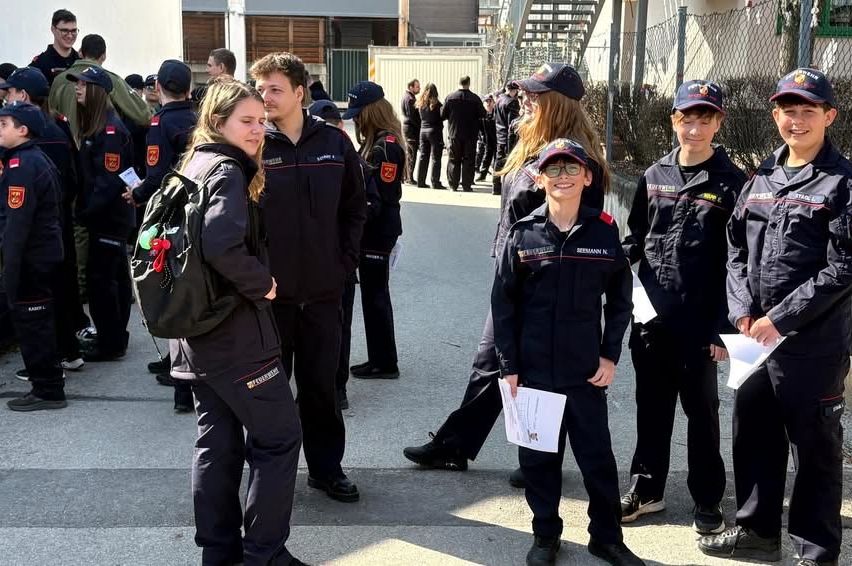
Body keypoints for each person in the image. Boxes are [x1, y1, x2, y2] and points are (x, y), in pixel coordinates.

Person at [404, 63, 608, 486]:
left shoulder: (574, 161)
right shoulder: (532, 146)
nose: (526, 101)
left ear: (557, 104)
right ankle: (459, 444)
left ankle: (533, 458)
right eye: (527, 94)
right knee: (491, 363)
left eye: (536, 96)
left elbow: (580, 233)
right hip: (514, 275)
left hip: (546, 287)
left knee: (529, 367)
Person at [698, 68, 852, 566]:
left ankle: (816, 550)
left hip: (812, 342)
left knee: (815, 450)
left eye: (809, 110)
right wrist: (742, 309)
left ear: (829, 115)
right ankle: (758, 533)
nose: (798, 120)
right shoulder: (762, 175)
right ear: (775, 115)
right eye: (789, 110)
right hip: (753, 339)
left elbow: (845, 265)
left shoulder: (842, 182)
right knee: (754, 434)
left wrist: (780, 319)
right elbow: (735, 248)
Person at [167, 77, 304, 566]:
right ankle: (264, 555)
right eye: (247, 121)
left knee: (218, 444)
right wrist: (262, 283)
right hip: (235, 337)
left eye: (262, 121)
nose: (258, 130)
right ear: (217, 121)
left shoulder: (197, 162)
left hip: (197, 336)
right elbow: (220, 243)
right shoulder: (226, 171)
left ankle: (219, 554)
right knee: (279, 437)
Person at [493, 138, 641, 566]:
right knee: (539, 462)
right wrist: (509, 366)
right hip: (534, 370)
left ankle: (606, 537)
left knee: (598, 460)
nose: (562, 177)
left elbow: (619, 299)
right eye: (553, 170)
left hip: (584, 371)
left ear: (588, 176)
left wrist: (610, 355)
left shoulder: (603, 231)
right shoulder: (525, 233)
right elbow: (503, 304)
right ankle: (545, 536)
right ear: (539, 179)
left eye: (571, 168)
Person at [619, 80, 746, 534]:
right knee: (650, 408)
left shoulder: (732, 184)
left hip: (700, 324)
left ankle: (707, 499)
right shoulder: (654, 175)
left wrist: (723, 330)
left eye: (704, 119)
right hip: (652, 320)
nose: (694, 128)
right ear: (673, 120)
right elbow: (636, 239)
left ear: (718, 123)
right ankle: (646, 488)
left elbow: (738, 262)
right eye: (686, 119)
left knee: (702, 414)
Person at [251, 52, 366, 503]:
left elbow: (356, 208)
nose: (265, 98)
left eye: (274, 89)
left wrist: (344, 264)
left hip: (322, 294)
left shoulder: (335, 144)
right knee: (268, 394)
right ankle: (269, 474)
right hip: (269, 298)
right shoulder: (254, 145)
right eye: (261, 90)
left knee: (321, 389)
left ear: (301, 93)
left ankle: (326, 469)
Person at [1, 67, 88, 376]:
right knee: (59, 290)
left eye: (10, 93)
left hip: (36, 227)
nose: (6, 97)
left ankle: (46, 368)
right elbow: (76, 178)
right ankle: (67, 352)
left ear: (23, 97)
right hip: (58, 221)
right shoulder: (60, 128)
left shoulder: (23, 149)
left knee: (36, 301)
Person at [123, 60, 197, 410]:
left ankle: (182, 385)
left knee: (169, 295)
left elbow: (156, 177)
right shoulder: (200, 117)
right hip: (198, 217)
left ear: (160, 88)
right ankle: (186, 373)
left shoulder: (161, 123)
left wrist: (135, 195)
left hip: (168, 220)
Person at [307, 99, 379, 410]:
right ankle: (313, 386)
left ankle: (337, 388)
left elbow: (368, 207)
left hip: (337, 262)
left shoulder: (349, 158)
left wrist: (349, 255)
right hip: (305, 261)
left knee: (339, 326)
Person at [0, 102, 66, 411]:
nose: (0, 130)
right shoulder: (29, 159)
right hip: (40, 253)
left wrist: (10, 269)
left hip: (31, 258)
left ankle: (47, 390)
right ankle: (47, 384)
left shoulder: (23, 166)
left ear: (23, 130)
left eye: (4, 125)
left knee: (33, 323)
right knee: (37, 321)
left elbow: (17, 223)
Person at [66, 66, 135, 362]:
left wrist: (83, 213)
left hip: (108, 219)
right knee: (113, 279)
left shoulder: (110, 130)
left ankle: (110, 342)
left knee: (102, 283)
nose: (77, 89)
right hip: (106, 218)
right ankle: (114, 337)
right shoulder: (99, 126)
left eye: (83, 85)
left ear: (96, 91)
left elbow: (108, 182)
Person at [344, 81, 404, 380]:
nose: (355, 119)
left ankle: (384, 362)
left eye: (358, 113)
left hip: (378, 232)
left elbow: (378, 198)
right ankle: (379, 358)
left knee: (376, 295)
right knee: (372, 294)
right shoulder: (377, 142)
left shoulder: (385, 147)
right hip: (375, 230)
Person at [49, 34, 152, 136]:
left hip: (64, 146)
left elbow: (50, 116)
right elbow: (144, 116)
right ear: (104, 56)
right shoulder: (111, 80)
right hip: (99, 146)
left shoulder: (59, 80)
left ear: (80, 52)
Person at [441, 76, 485, 191]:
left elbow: (443, 115)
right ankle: (466, 185)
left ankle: (453, 185)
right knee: (469, 160)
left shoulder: (450, 98)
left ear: (458, 83)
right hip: (470, 134)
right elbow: (483, 114)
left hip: (454, 133)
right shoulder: (475, 99)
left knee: (454, 159)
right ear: (469, 83)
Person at [31, 9, 80, 85]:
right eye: (64, 31)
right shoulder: (40, 64)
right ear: (53, 29)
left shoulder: (80, 61)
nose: (70, 36)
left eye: (73, 31)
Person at [415, 82, 445, 190]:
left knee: (423, 156)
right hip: (435, 132)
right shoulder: (437, 105)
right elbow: (443, 116)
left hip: (423, 132)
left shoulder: (420, 104)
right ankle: (435, 182)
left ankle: (420, 181)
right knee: (436, 158)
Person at [493, 81, 520, 196]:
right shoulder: (512, 103)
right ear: (514, 90)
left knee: (498, 161)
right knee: (509, 162)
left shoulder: (499, 100)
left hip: (499, 135)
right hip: (507, 137)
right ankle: (506, 187)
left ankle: (496, 186)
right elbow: (512, 125)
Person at [401, 78, 421, 184]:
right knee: (411, 154)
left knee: (409, 154)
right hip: (411, 129)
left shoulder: (407, 96)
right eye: (417, 87)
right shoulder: (410, 99)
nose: (419, 89)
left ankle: (406, 177)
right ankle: (409, 178)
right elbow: (412, 116)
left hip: (408, 128)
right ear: (411, 87)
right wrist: (420, 126)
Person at [475, 93, 496, 183]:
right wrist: (481, 137)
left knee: (497, 158)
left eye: (490, 101)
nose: (488, 103)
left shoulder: (496, 113)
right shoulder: (482, 114)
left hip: (496, 139)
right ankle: (482, 174)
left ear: (493, 102)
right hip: (486, 140)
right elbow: (479, 128)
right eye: (486, 101)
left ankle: (496, 177)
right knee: (486, 157)